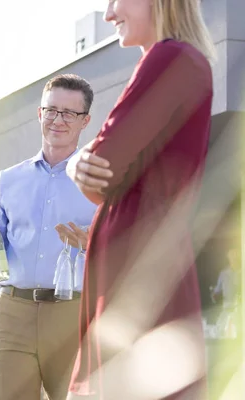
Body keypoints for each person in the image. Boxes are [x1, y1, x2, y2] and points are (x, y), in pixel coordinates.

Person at [65, 1, 215, 398]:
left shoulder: (168, 57)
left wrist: (78, 161)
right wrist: (80, 163)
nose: (109, 14)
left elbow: (101, 171)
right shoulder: (182, 60)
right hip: (148, 255)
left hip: (134, 259)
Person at [0, 74, 98, 400]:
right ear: (40, 114)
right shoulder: (10, 179)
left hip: (75, 314)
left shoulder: (100, 180)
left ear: (85, 121)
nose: (58, 119)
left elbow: (124, 248)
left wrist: (93, 241)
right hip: (13, 311)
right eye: (51, 110)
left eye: (69, 113)